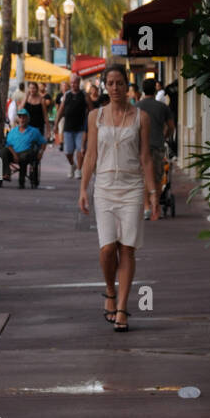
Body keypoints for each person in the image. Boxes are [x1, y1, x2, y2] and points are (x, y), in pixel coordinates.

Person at [78, 62, 158, 332]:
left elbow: (146, 157)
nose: (114, 88)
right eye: (109, 83)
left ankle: (122, 308)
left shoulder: (140, 118)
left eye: (119, 83)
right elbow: (90, 154)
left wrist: (153, 193)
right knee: (107, 248)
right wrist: (83, 188)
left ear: (127, 85)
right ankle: (109, 291)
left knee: (127, 248)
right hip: (104, 187)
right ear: (105, 85)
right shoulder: (95, 117)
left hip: (132, 187)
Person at [138, 76, 175, 220]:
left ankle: (146, 207)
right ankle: (156, 206)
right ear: (155, 90)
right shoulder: (162, 107)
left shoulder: (136, 107)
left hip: (141, 148)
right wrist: (165, 136)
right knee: (158, 177)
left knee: (143, 177)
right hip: (158, 146)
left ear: (143, 89)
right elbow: (171, 127)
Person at [0, 107, 46, 188]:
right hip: (13, 152)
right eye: (20, 117)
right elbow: (8, 144)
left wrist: (41, 152)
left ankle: (22, 180)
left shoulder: (34, 131)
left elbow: (43, 143)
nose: (22, 119)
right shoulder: (13, 131)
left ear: (28, 118)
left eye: (24, 117)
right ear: (18, 119)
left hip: (26, 153)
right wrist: (14, 154)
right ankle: (6, 173)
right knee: (2, 151)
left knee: (25, 156)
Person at [55, 72, 88, 178]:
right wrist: (56, 123)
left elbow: (91, 110)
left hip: (81, 127)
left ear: (79, 83)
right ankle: (72, 165)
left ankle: (79, 169)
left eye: (76, 83)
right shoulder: (67, 95)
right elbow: (61, 110)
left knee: (80, 150)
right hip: (68, 127)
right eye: (72, 83)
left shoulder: (84, 95)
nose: (74, 85)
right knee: (68, 152)